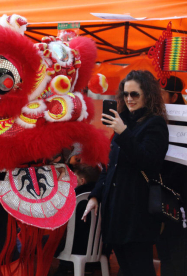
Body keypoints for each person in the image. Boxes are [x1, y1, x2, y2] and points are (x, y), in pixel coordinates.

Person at [82, 70, 169, 276]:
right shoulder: (123, 122)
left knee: (139, 268)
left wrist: (123, 133)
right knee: (126, 267)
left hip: (137, 213)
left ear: (147, 94)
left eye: (135, 94)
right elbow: (110, 165)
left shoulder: (154, 124)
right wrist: (96, 195)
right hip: (116, 212)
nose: (129, 99)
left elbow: (149, 161)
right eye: (126, 94)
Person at [156, 75, 187, 276]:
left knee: (177, 254)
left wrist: (161, 184)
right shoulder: (157, 121)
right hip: (161, 196)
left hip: (179, 197)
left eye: (161, 95)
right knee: (164, 251)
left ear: (174, 97)